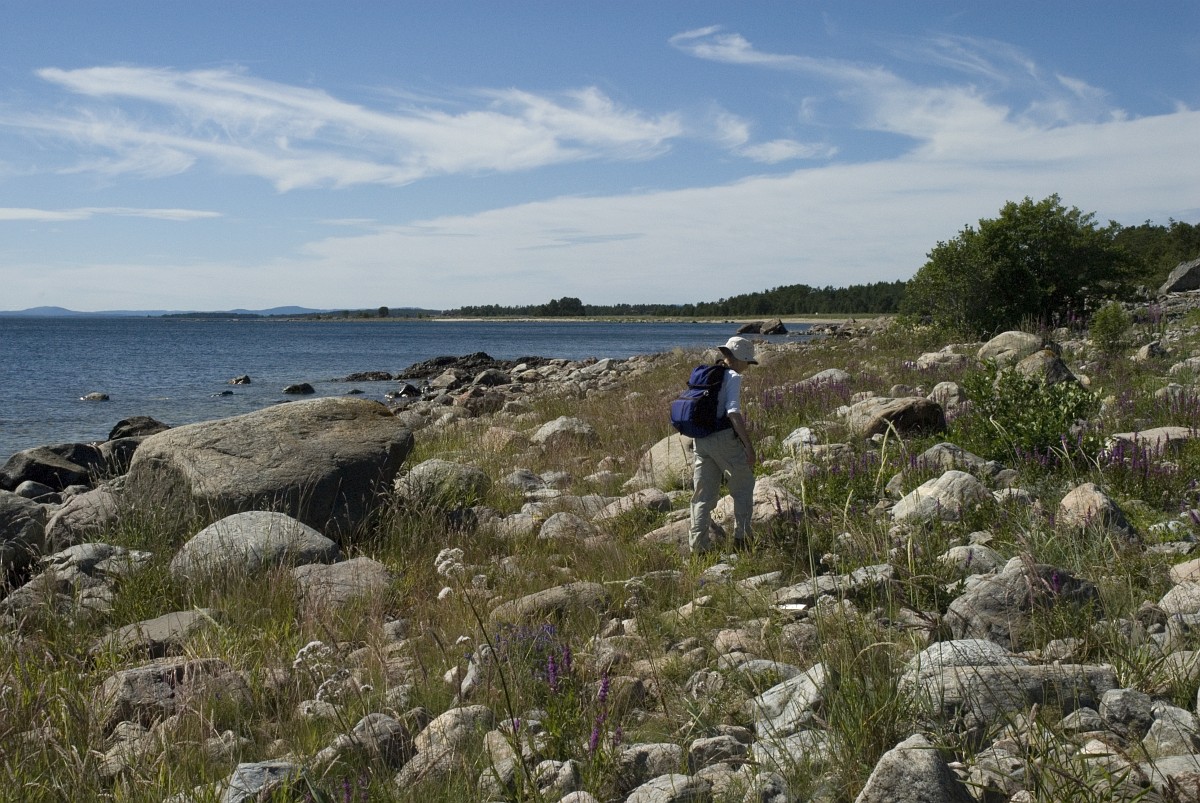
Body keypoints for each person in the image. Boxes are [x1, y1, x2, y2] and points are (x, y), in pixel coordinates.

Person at [689, 335, 757, 554]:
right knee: (743, 486)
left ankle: (698, 549)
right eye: (748, 361)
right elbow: (733, 412)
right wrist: (748, 446)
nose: (748, 366)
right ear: (739, 358)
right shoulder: (733, 376)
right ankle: (742, 540)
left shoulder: (708, 374)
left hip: (701, 438)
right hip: (722, 437)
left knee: (702, 496)